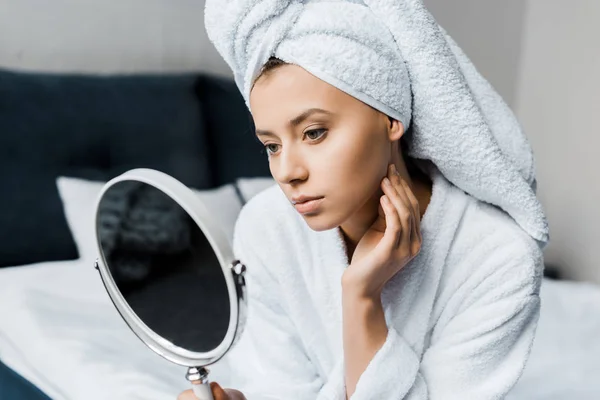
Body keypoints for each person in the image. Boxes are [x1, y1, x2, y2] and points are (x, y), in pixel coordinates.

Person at [180, 0, 549, 398]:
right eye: (271, 145)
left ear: (391, 118)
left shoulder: (499, 259)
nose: (287, 171)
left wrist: (362, 299)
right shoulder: (266, 228)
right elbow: (278, 388)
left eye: (314, 132)